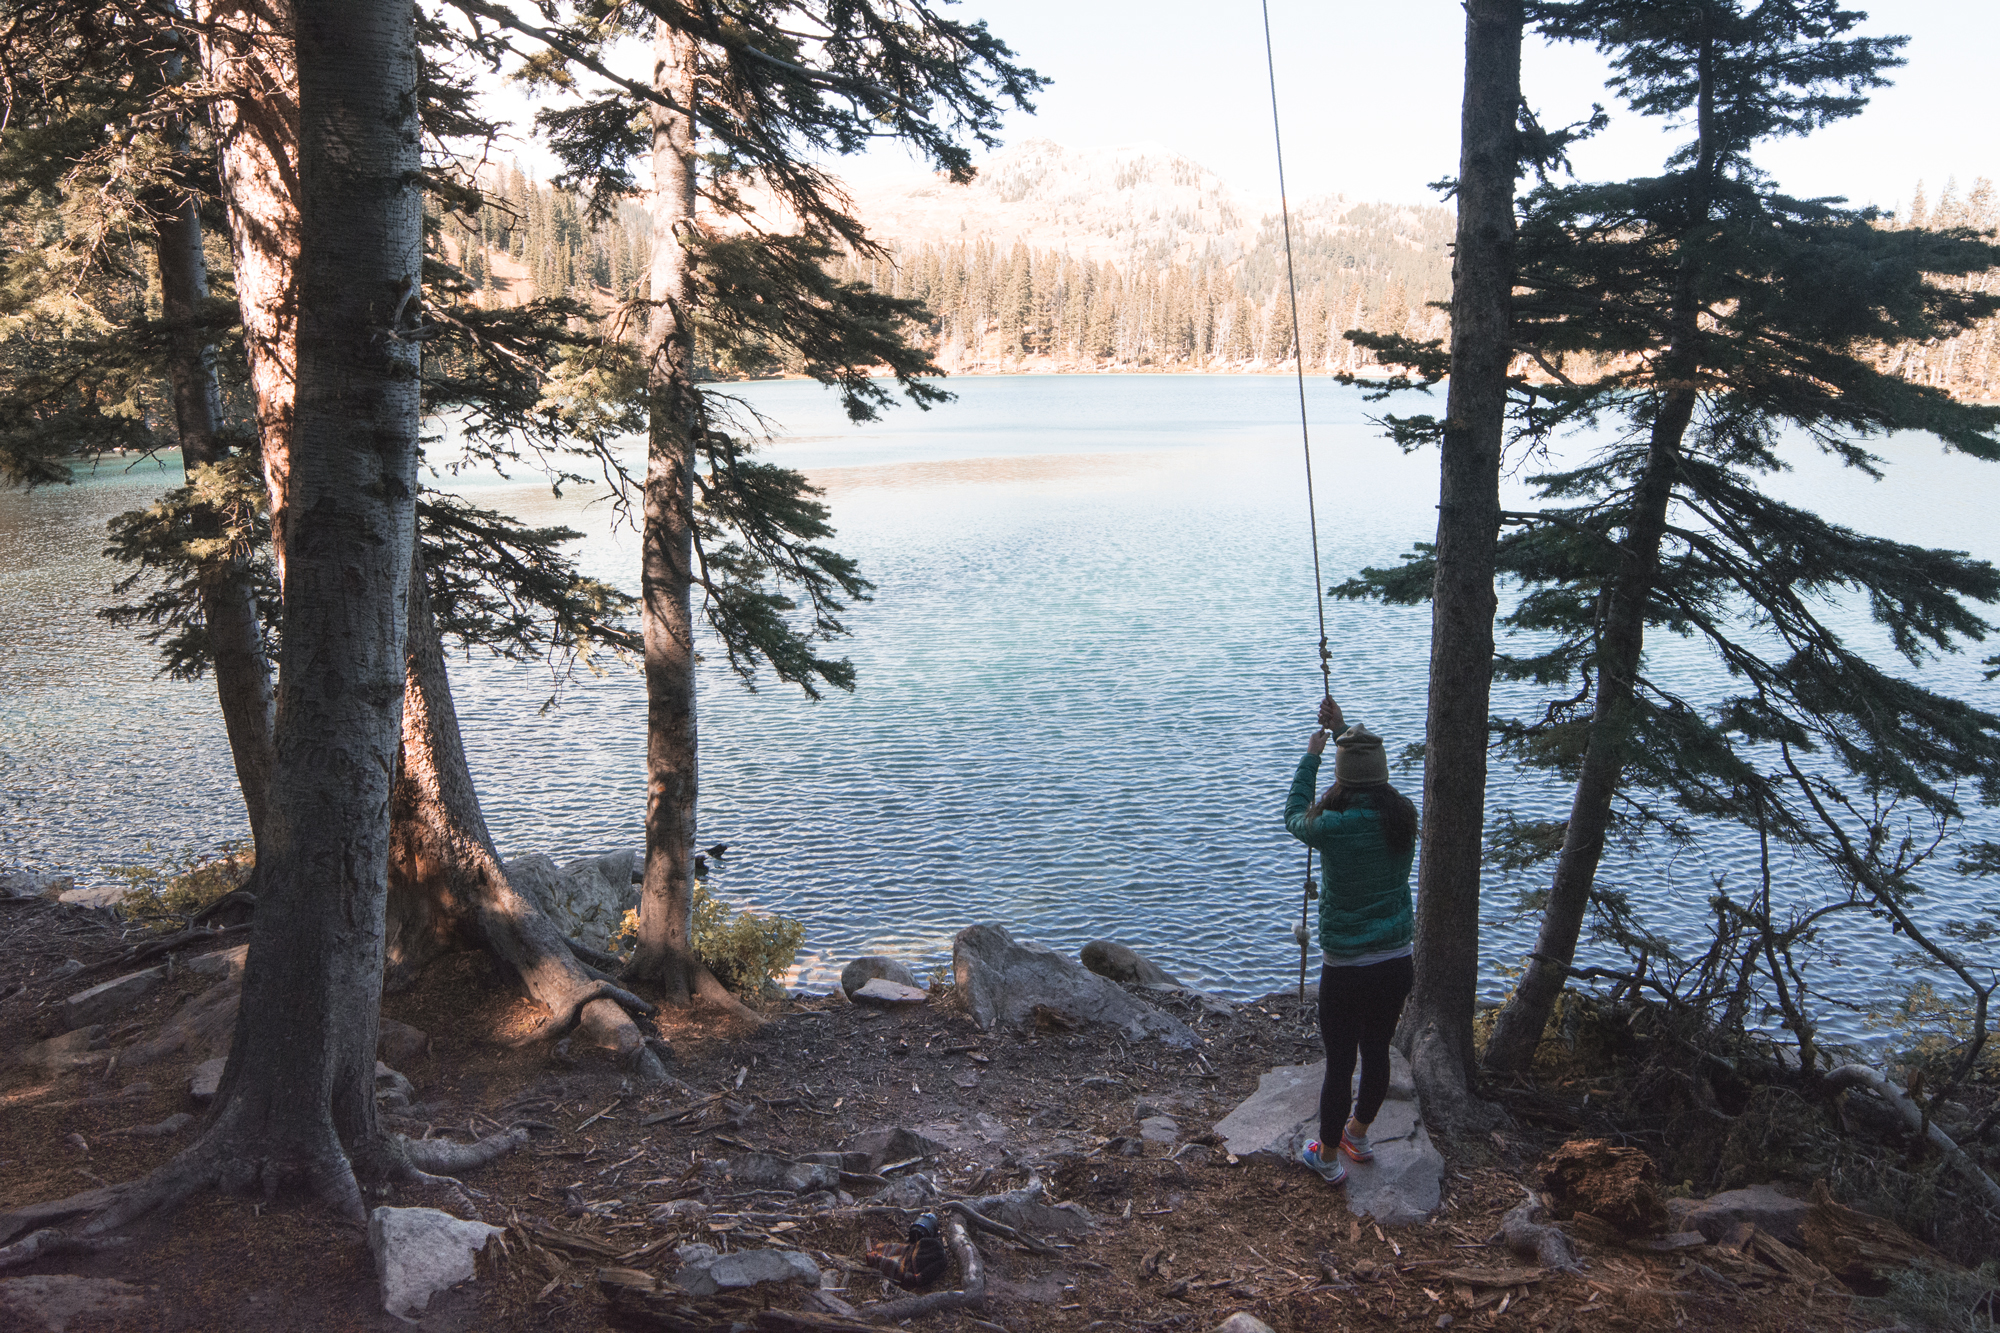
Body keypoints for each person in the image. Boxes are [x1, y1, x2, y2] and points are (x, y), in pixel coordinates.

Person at [1284, 695, 1417, 1187]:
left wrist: (1313, 756)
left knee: (1340, 1062)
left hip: (1345, 967)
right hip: (1395, 960)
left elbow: (1294, 813)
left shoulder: (1332, 828)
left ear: (1342, 776)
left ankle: (1328, 1157)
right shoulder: (1403, 816)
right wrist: (1341, 729)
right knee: (1377, 1049)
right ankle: (1358, 1133)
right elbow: (1367, 777)